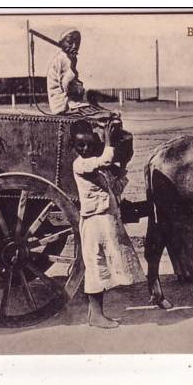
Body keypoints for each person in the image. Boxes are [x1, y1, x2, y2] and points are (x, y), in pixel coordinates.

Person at [71, 119, 145, 328]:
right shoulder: (80, 164)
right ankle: (96, 315)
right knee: (96, 265)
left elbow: (116, 186)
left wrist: (122, 168)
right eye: (80, 146)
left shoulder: (98, 168)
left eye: (88, 145)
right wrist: (109, 140)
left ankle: (95, 313)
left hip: (106, 219)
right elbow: (104, 160)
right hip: (94, 222)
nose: (84, 149)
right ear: (73, 147)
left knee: (103, 264)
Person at [47, 28, 88, 114]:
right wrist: (73, 65)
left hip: (65, 102)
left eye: (77, 43)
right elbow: (66, 85)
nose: (74, 46)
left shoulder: (67, 58)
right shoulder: (64, 59)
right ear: (61, 43)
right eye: (70, 42)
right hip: (62, 104)